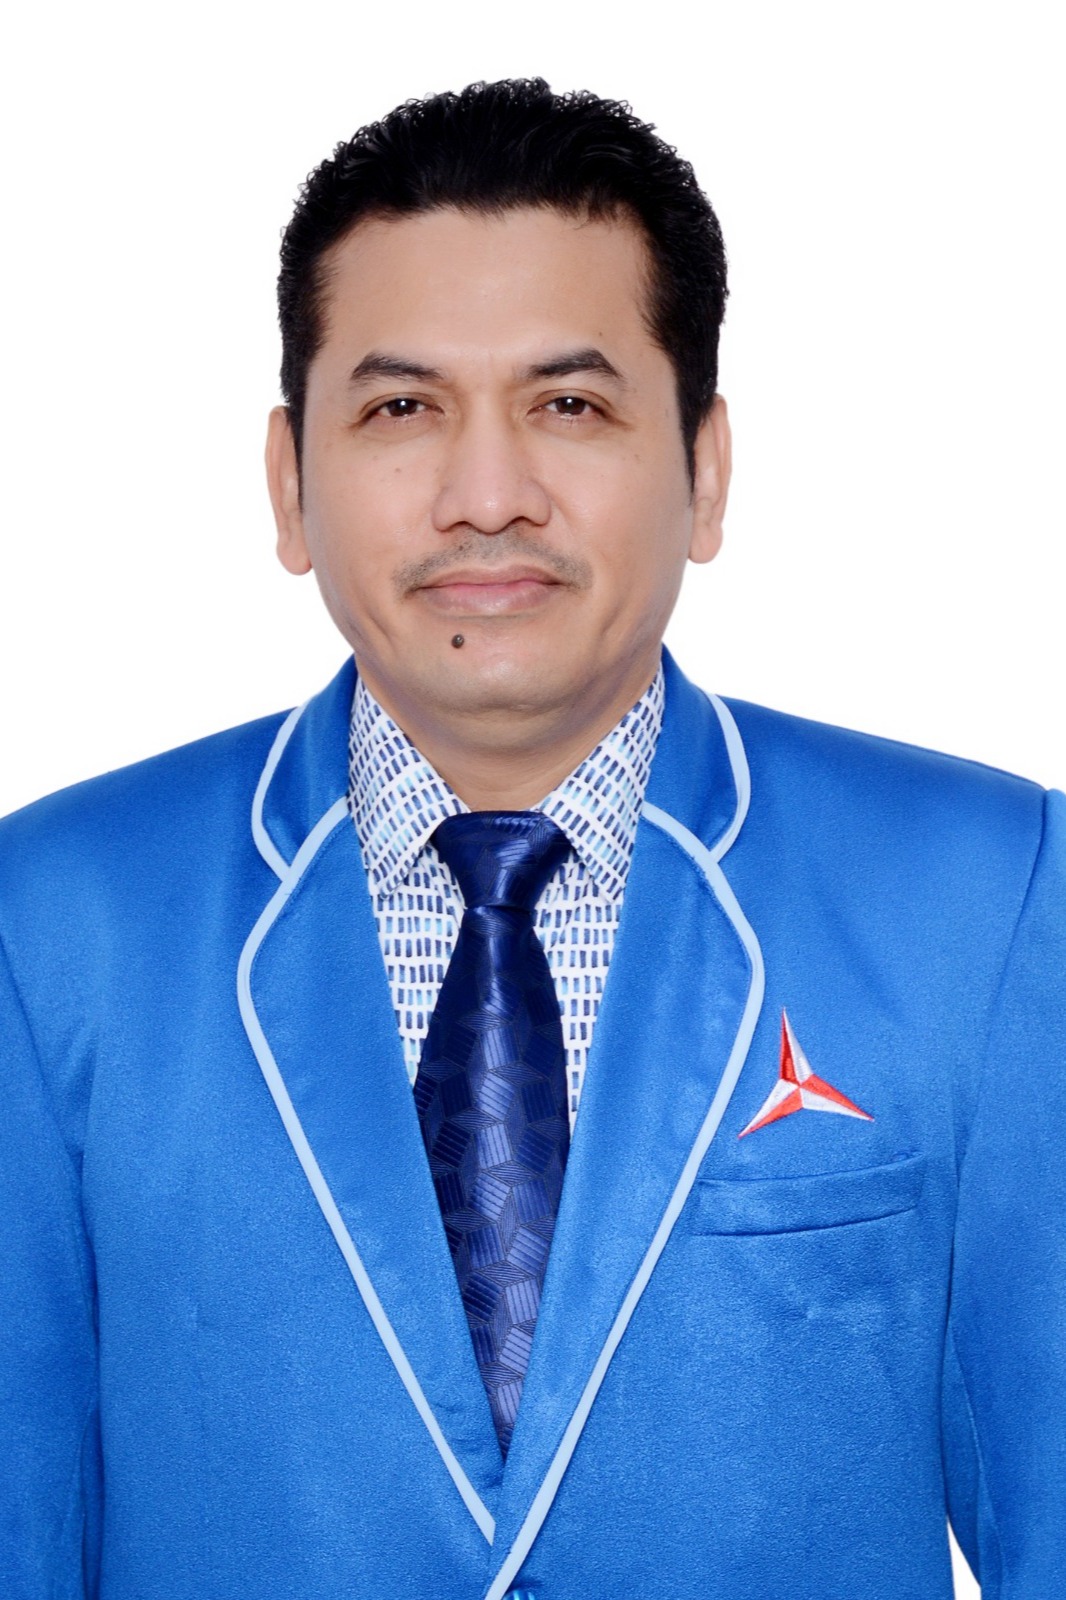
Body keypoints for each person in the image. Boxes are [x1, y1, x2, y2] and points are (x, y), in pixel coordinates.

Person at [1, 77, 1062, 1600]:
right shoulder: (49, 926)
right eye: (401, 409)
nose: (486, 497)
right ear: (288, 485)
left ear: (704, 469)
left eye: (569, 406)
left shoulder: (991, 897)